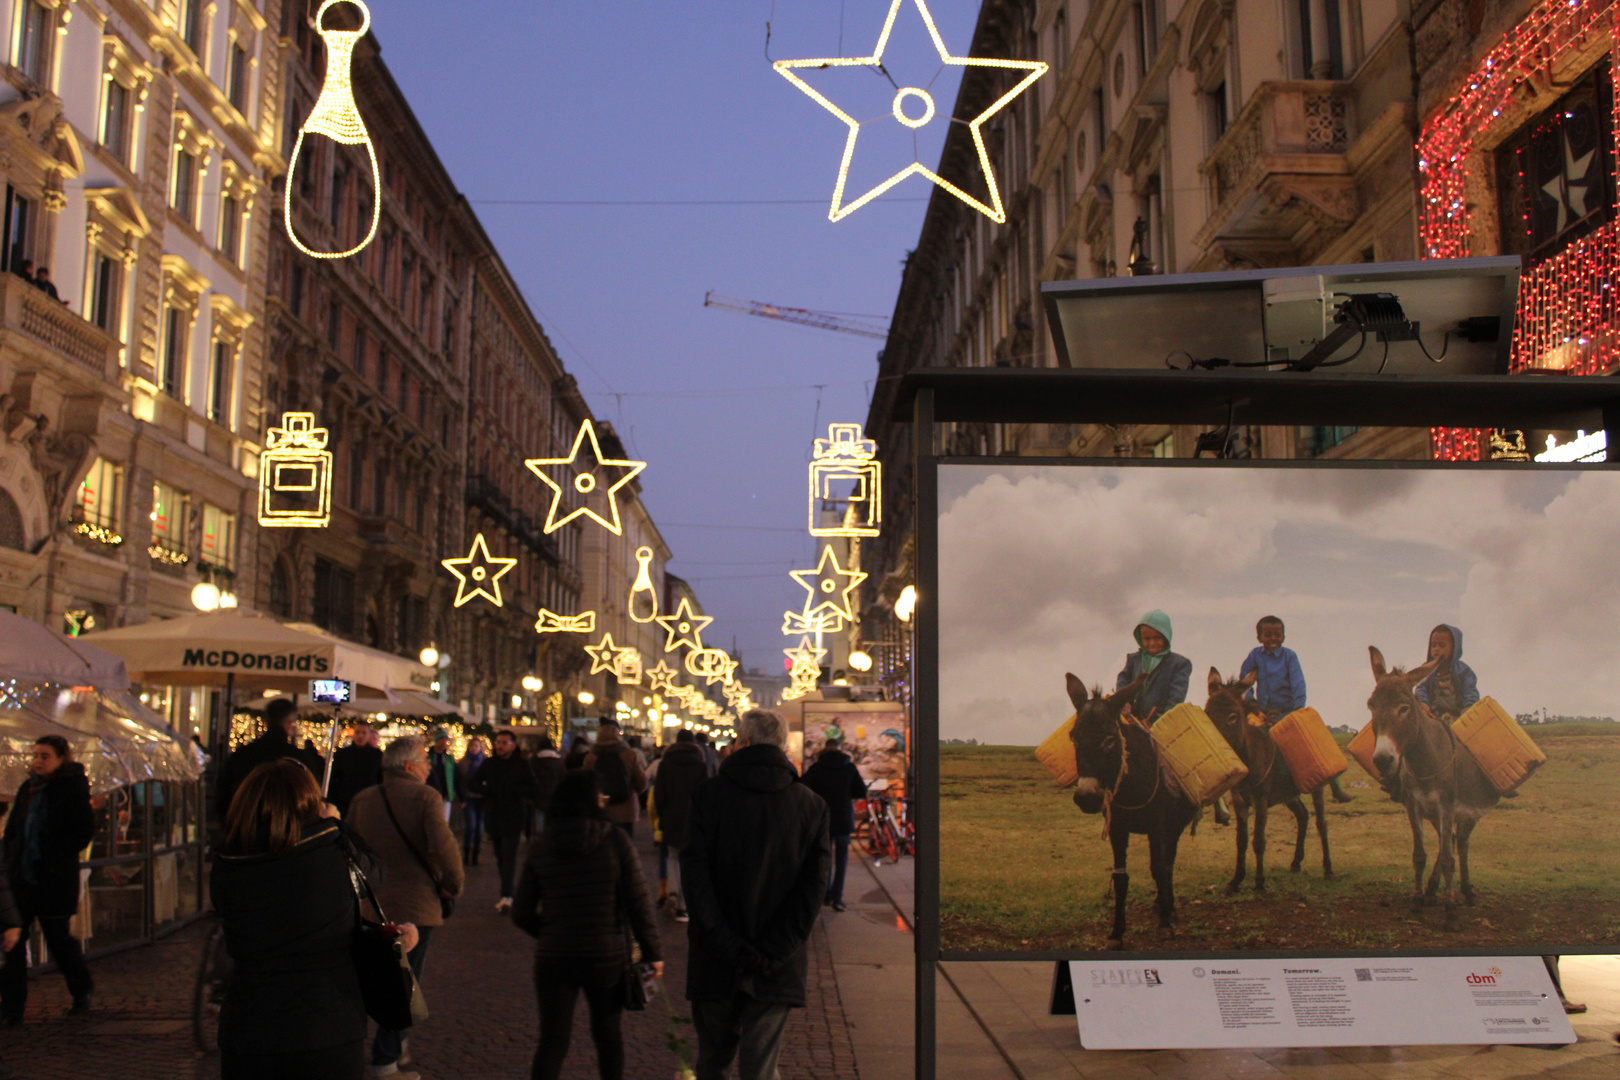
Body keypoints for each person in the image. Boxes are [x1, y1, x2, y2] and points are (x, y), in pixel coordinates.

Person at [211, 758, 419, 1080]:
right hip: (326, 1024)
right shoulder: (328, 850)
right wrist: (337, 825)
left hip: (249, 1024)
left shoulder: (228, 860)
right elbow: (375, 871)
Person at [682, 710, 830, 1080]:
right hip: (776, 963)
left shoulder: (706, 797)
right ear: (782, 746)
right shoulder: (811, 805)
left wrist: (727, 946)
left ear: (741, 742)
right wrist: (775, 951)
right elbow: (812, 892)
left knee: (712, 1062)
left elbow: (696, 883)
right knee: (761, 1067)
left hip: (715, 958)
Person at [511, 771, 661, 1080]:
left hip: (554, 956)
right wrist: (652, 952)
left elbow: (521, 911)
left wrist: (551, 930)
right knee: (608, 1036)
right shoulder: (615, 840)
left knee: (553, 1040)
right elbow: (638, 902)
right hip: (605, 954)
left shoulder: (542, 844)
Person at [347, 736, 463, 1080]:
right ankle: (386, 1060)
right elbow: (444, 845)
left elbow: (349, 847)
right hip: (415, 902)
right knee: (405, 982)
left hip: (371, 903)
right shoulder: (426, 797)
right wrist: (453, 885)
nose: (430, 767)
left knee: (372, 977)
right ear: (409, 766)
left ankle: (386, 1045)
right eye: (426, 761)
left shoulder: (362, 799)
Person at [0, 736, 94, 1024]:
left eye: (45, 756)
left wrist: (54, 857)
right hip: (23, 879)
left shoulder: (71, 789)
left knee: (58, 940)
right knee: (13, 942)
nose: (38, 761)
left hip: (53, 880)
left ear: (61, 758)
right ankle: (13, 1009)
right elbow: (15, 829)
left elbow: (82, 832)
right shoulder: (28, 788)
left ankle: (81, 989)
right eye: (36, 755)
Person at [1239, 616, 1353, 804]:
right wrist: (1253, 706)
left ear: (1284, 637)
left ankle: (1336, 788)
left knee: (1315, 742)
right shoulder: (1254, 656)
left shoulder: (1289, 656)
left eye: (1277, 634)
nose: (1273, 638)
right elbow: (1244, 682)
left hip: (1289, 710)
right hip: (1263, 712)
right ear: (1259, 638)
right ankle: (1248, 787)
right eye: (1268, 635)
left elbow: (1298, 683)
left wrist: (1298, 707)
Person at [466, 729, 539, 912]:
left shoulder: (522, 764)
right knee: (500, 856)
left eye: (504, 743)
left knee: (508, 855)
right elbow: (472, 783)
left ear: (513, 745)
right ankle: (508, 890)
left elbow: (533, 788)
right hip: (494, 815)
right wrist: (487, 791)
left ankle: (506, 895)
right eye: (498, 742)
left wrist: (515, 791)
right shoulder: (489, 764)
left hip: (514, 815)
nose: (500, 746)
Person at [216, 699, 320, 818]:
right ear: (290, 724)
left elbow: (223, 793)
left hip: (246, 824)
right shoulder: (298, 758)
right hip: (289, 826)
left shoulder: (243, 754)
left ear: (267, 722)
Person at [800, 737, 868, 911]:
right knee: (842, 858)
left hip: (823, 819)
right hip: (844, 818)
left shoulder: (816, 768)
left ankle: (825, 895)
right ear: (840, 750)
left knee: (825, 858)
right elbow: (861, 790)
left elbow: (802, 788)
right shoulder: (849, 768)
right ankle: (837, 897)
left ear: (825, 750)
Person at [652, 729, 709, 922]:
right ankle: (684, 907)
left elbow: (658, 794)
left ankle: (673, 893)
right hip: (693, 819)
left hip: (671, 817)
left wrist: (662, 816)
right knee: (690, 860)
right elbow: (705, 794)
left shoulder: (665, 764)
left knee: (673, 856)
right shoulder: (700, 765)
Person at [1114, 610, 1192, 722]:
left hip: (1160, 725)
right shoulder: (1134, 659)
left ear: (1166, 637)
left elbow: (1176, 698)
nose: (1152, 643)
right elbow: (1123, 679)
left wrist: (1164, 722)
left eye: (1158, 638)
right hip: (1131, 720)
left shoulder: (1179, 664)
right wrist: (1123, 702)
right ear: (1140, 638)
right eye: (1147, 639)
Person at [583, 719, 648, 838]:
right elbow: (641, 784)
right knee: (625, 845)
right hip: (626, 810)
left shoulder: (590, 758)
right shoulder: (630, 755)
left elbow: (586, 785)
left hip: (600, 809)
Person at [1413, 624, 1480, 720]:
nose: (1436, 649)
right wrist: (1423, 702)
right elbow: (1420, 687)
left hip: (1458, 717)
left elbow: (1470, 690)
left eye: (1442, 645)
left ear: (1454, 648)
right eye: (1433, 645)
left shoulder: (1464, 671)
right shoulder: (1426, 670)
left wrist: (1469, 707)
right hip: (1433, 717)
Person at [327, 722, 384, 817]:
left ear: (369, 735)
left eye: (364, 733)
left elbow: (380, 778)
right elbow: (334, 778)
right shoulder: (342, 754)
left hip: (369, 800)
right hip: (345, 801)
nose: (360, 736)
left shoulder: (377, 755)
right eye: (357, 732)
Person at [456, 736, 488, 866]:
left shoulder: (485, 762)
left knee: (479, 827)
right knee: (471, 826)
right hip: (468, 797)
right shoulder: (463, 762)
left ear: (480, 748)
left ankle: (476, 853)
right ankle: (466, 853)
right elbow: (459, 781)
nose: (474, 748)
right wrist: (461, 797)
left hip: (482, 798)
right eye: (472, 746)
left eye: (476, 745)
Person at [529, 734, 565, 836]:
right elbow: (563, 778)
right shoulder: (559, 761)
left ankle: (539, 842)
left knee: (539, 821)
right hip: (555, 796)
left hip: (538, 796)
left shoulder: (534, 761)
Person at [424, 729, 459, 823]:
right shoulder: (428, 757)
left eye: (445, 739)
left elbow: (455, 777)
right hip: (431, 793)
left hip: (445, 794)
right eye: (442, 739)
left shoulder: (448, 759)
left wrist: (461, 795)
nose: (444, 742)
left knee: (444, 822)